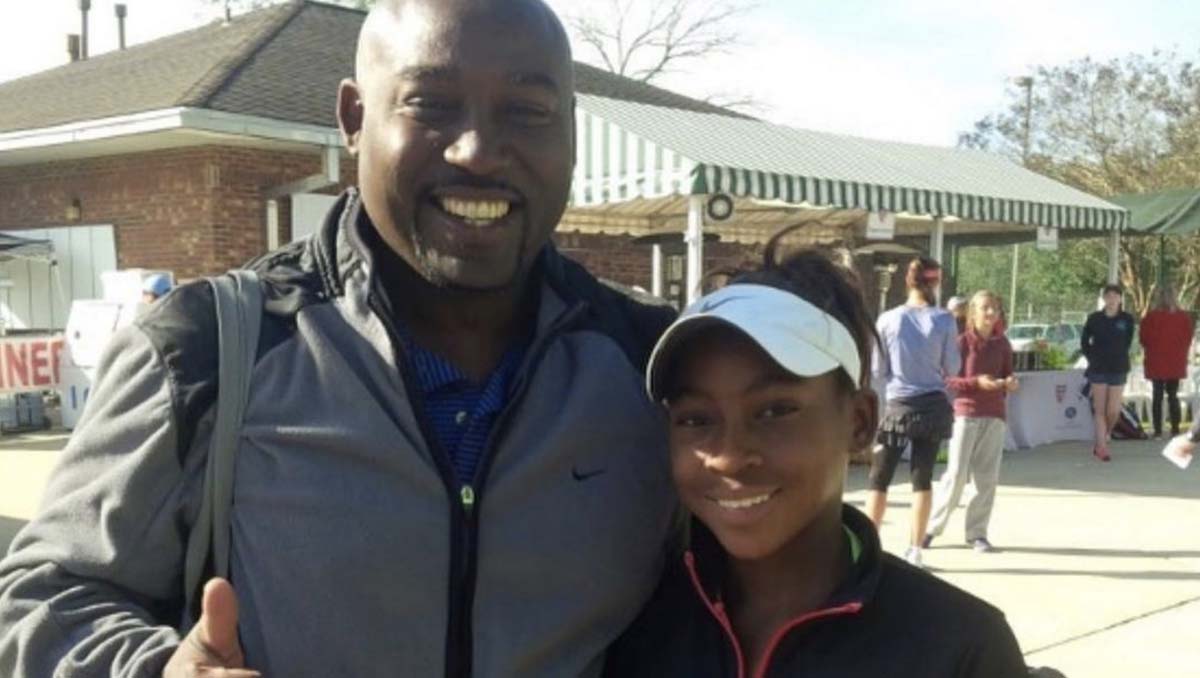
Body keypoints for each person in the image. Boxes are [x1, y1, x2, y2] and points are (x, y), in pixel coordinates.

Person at [0, 2, 679, 676]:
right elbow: (35, 600)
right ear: (355, 119)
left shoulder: (656, 371)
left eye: (527, 112)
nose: (477, 152)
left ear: (570, 132)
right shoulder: (208, 352)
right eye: (432, 104)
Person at [604, 237, 1027, 677]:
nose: (728, 457)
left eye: (774, 411)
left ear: (860, 422)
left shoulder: (959, 647)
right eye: (695, 419)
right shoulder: (638, 621)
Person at [867, 257, 960, 567]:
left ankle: (870, 545)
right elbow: (953, 367)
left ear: (907, 281)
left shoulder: (888, 319)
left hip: (898, 406)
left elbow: (878, 369)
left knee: (879, 479)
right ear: (934, 282)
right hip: (933, 406)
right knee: (922, 478)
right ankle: (915, 548)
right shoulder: (945, 320)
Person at [926, 290, 1017, 554]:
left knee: (986, 479)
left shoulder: (1003, 344)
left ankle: (977, 534)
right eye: (985, 308)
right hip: (966, 413)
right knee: (956, 475)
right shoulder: (961, 343)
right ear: (973, 312)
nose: (991, 314)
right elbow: (948, 380)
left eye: (995, 309)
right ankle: (932, 528)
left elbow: (1009, 374)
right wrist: (976, 383)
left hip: (995, 415)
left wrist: (1010, 383)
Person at [1081, 284, 1136, 461]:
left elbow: (1128, 341)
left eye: (1115, 296)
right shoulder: (1094, 318)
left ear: (1120, 299)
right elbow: (1084, 340)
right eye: (1108, 296)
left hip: (1118, 367)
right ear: (1103, 299)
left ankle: (1106, 433)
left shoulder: (1126, 319)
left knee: (1113, 410)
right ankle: (1101, 447)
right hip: (1098, 368)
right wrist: (1092, 357)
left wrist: (1119, 354)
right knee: (1100, 409)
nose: (1112, 300)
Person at [1139, 285, 1193, 439]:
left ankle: (1157, 431)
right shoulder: (1183, 317)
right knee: (1173, 396)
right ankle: (1175, 430)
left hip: (1156, 360)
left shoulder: (1151, 317)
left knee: (1157, 396)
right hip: (1175, 361)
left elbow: (1144, 338)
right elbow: (1188, 338)